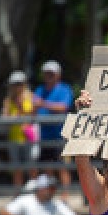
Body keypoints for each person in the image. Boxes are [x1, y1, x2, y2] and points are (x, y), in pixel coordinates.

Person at [34, 60, 74, 194]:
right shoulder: (39, 89)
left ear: (58, 75)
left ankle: (65, 195)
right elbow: (33, 107)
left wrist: (43, 104)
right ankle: (50, 194)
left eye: (51, 74)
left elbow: (63, 107)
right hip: (44, 135)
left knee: (62, 167)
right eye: (46, 74)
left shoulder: (65, 89)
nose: (48, 76)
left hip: (60, 135)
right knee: (47, 168)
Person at [2, 70, 38, 187]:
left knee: (31, 167)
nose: (17, 87)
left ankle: (34, 193)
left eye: (19, 83)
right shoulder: (7, 100)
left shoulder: (31, 96)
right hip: (14, 138)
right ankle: (18, 193)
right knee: (17, 169)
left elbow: (33, 116)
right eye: (14, 84)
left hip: (29, 137)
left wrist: (20, 108)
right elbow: (5, 118)